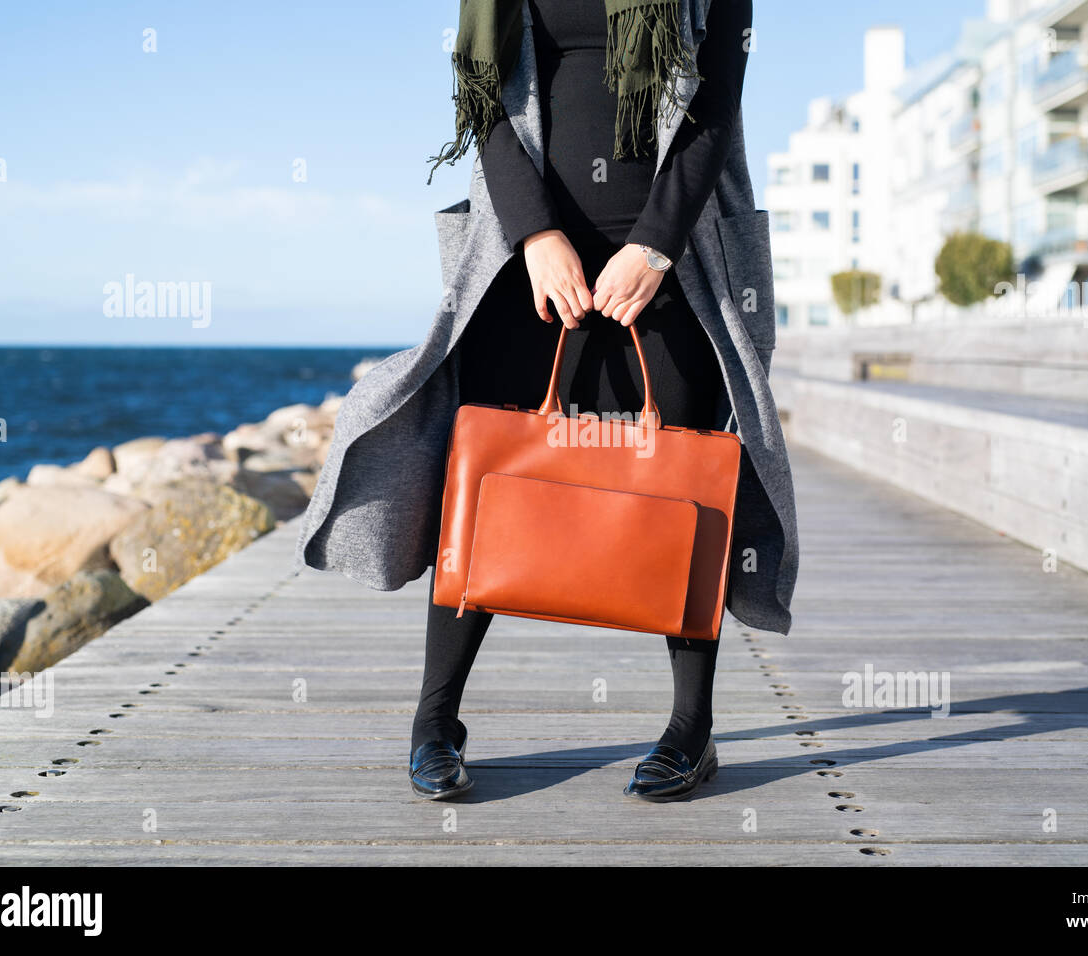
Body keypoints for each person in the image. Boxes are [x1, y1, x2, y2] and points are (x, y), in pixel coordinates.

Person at [297, 0, 798, 804]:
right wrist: (535, 235)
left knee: (690, 488)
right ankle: (435, 721)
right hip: (527, 266)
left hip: (670, 266)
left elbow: (715, 103)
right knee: (483, 488)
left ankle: (690, 731)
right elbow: (483, 94)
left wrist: (656, 246)